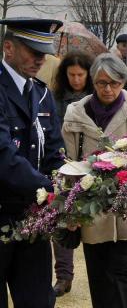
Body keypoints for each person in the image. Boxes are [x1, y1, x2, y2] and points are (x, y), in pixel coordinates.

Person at [62, 53, 127, 308]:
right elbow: (68, 161)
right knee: (98, 273)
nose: (108, 88)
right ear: (93, 82)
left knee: (124, 272)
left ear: (124, 82)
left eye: (115, 82)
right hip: (91, 208)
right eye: (102, 83)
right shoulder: (75, 115)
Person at [0, 17, 65, 308]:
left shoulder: (41, 94)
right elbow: (3, 156)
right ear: (8, 48)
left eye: (44, 52)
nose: (41, 59)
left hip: (33, 218)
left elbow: (54, 151)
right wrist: (49, 189)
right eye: (33, 50)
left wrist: (68, 183)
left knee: (39, 300)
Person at [51, 51, 94, 297]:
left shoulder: (94, 98)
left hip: (91, 165)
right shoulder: (55, 99)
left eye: (80, 75)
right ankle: (63, 275)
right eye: (71, 75)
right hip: (64, 164)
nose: (76, 79)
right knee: (63, 220)